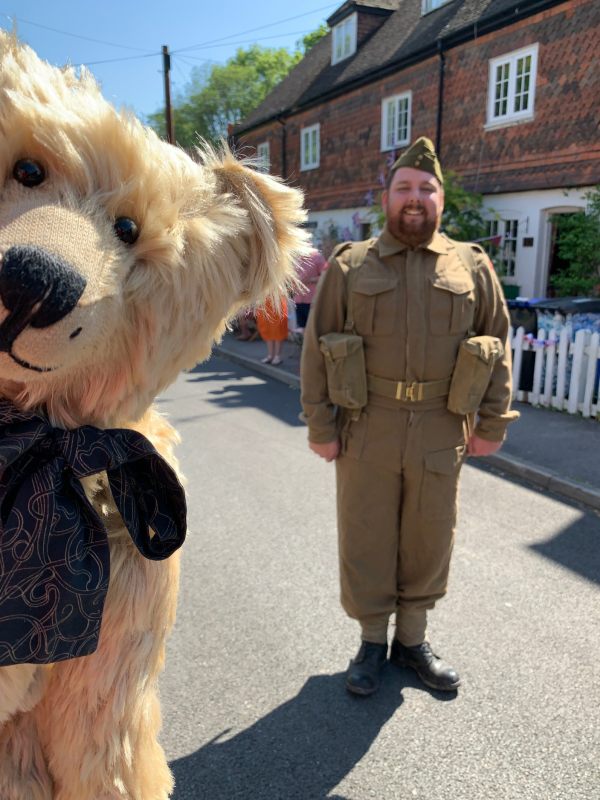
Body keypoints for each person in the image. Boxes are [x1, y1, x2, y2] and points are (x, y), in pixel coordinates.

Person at [300, 137, 518, 696]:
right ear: (387, 197)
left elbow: (495, 342)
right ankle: (372, 643)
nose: (415, 198)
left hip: (442, 427)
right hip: (367, 423)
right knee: (367, 535)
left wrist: (492, 424)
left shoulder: (472, 265)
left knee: (429, 537)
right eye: (404, 189)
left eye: (426, 189)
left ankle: (413, 642)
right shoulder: (350, 265)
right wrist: (321, 428)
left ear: (441, 199)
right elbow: (316, 347)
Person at [293, 247, 327, 330]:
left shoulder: (317, 257)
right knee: (302, 327)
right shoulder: (294, 258)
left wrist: (310, 280)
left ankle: (313, 342)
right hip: (298, 299)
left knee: (314, 327)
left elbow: (326, 275)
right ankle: (305, 343)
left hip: (313, 299)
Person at [256, 295, 288, 365]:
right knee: (267, 329)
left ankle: (277, 356)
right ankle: (270, 355)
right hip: (263, 302)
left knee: (278, 329)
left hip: (277, 301)